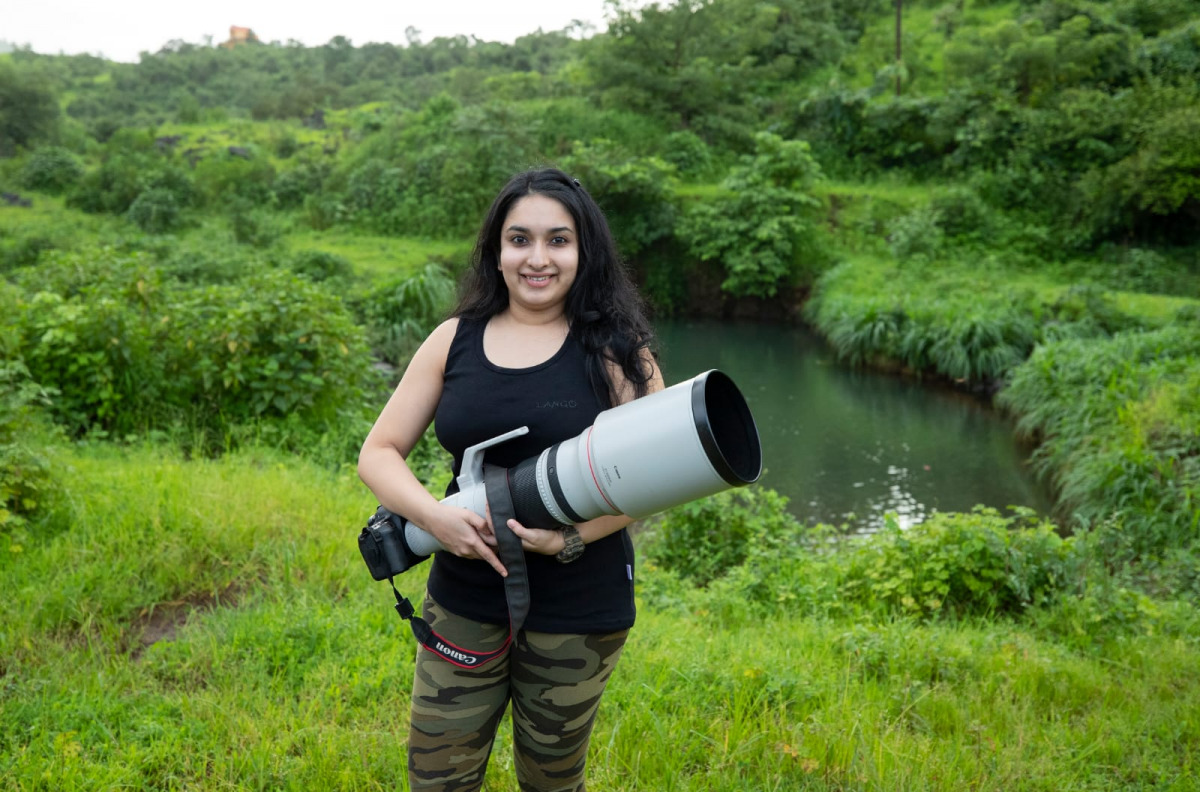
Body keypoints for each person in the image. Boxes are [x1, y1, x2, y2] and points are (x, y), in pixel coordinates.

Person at [358, 167, 663, 791]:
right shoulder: (454, 340)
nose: (537, 258)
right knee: (437, 778)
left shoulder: (618, 352)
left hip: (582, 606)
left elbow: (657, 476)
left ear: (585, 252)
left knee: (551, 780)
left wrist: (569, 538)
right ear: (497, 251)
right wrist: (432, 516)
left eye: (558, 240)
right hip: (464, 598)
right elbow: (380, 451)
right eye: (519, 239)